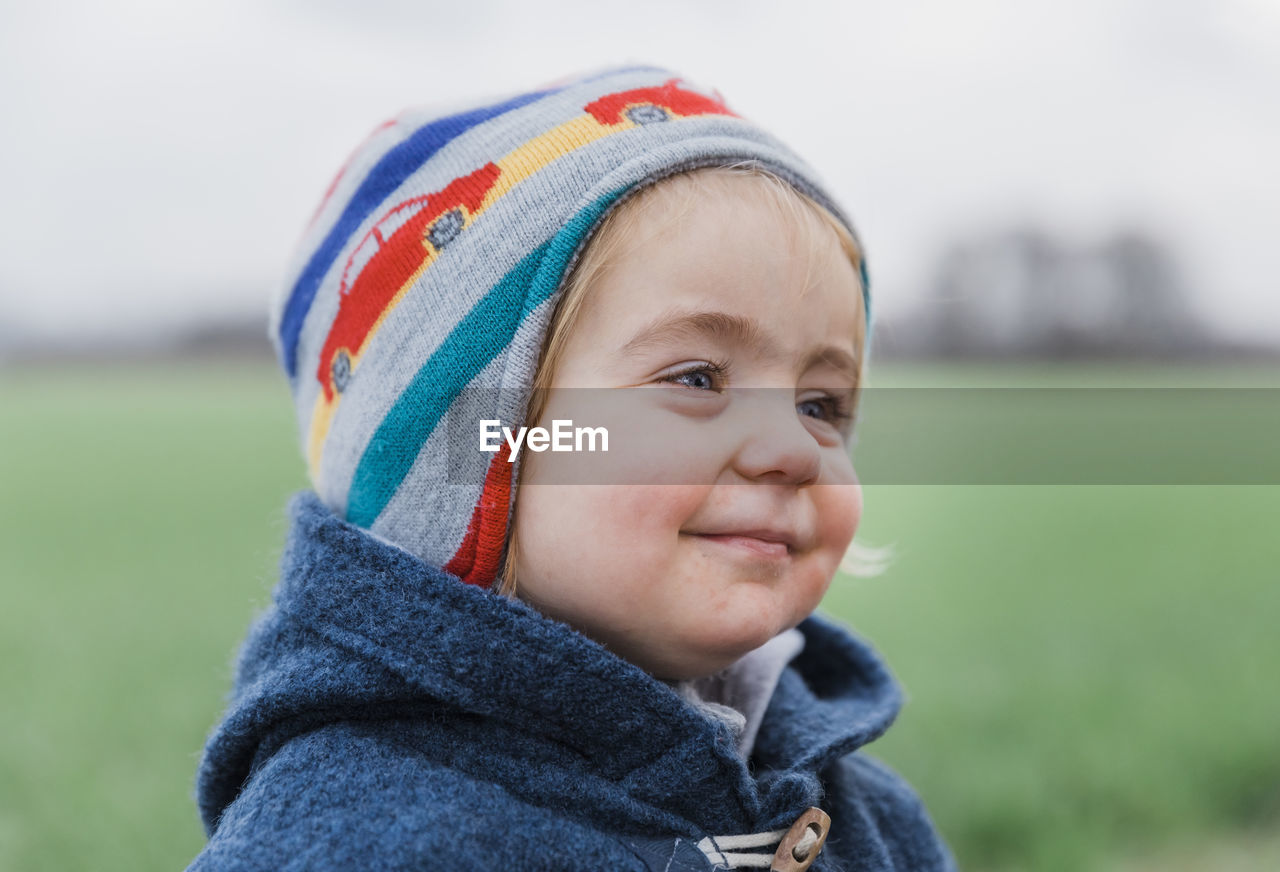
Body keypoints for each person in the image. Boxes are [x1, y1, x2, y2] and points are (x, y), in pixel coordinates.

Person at [187, 64, 959, 871]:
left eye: (821, 405)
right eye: (696, 379)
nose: (795, 450)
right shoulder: (353, 838)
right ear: (475, 450)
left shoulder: (859, 812)